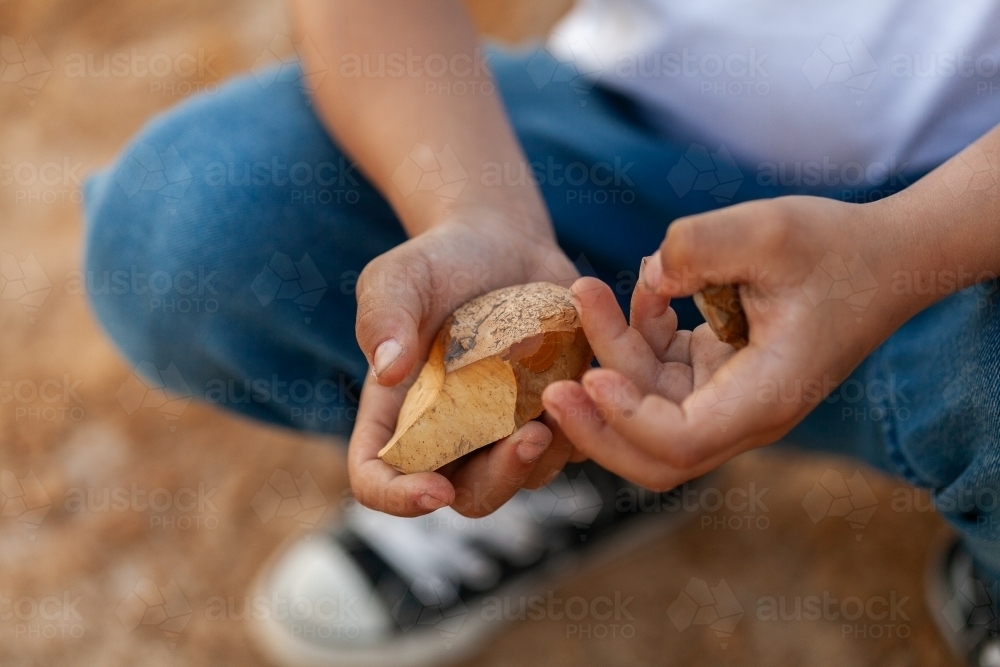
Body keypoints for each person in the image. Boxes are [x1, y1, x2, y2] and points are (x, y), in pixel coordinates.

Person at [82, 0, 1000, 665]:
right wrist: (477, 209)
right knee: (196, 219)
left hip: (968, 224)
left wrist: (901, 248)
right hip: (632, 149)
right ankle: (584, 446)